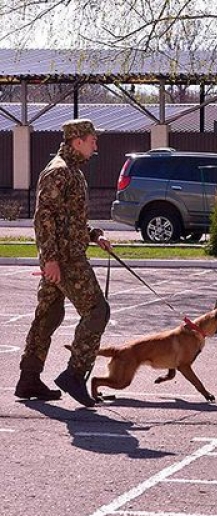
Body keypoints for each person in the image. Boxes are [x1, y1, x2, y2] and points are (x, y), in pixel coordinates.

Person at [14, 119, 112, 407]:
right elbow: (43, 219)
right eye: (93, 139)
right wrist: (51, 260)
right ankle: (75, 374)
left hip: (64, 255)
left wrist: (94, 234)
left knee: (49, 316)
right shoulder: (59, 171)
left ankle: (29, 378)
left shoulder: (73, 172)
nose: (96, 145)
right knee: (97, 311)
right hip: (66, 260)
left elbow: (68, 219)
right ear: (77, 141)